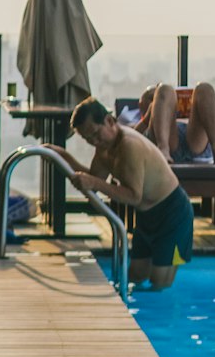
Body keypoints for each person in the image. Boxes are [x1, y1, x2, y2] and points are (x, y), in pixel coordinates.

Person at [47, 96, 193, 290]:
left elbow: (133, 196)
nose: (94, 141)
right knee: (135, 276)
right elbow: (93, 178)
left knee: (160, 284)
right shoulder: (103, 147)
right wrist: (61, 156)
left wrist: (94, 183)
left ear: (109, 121)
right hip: (147, 216)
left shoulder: (129, 146)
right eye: (87, 139)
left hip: (173, 214)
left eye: (96, 134)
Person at [122, 81, 215, 165]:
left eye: (155, 98)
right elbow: (128, 139)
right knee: (165, 88)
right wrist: (148, 118)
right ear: (140, 104)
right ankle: (163, 149)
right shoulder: (130, 116)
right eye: (153, 98)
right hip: (167, 141)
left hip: (194, 140)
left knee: (205, 88)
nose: (155, 101)